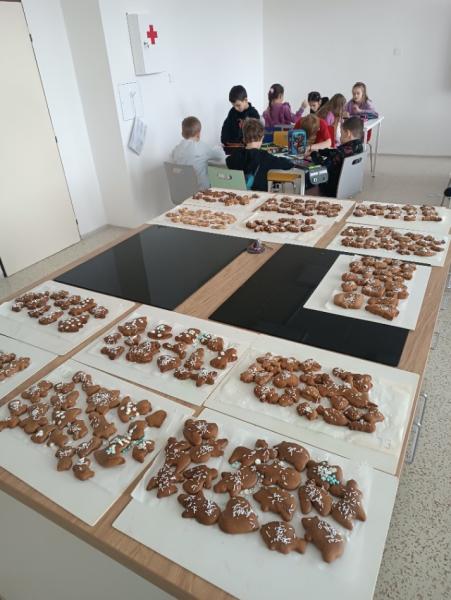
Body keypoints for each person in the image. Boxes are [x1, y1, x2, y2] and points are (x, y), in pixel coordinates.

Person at [226, 118, 293, 191]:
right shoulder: (265, 156)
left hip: (239, 195)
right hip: (260, 195)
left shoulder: (236, 155)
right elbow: (287, 164)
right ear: (262, 138)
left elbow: (228, 161)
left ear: (244, 138)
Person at [310, 116, 364, 197]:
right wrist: (320, 151)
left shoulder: (341, 152)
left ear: (348, 134)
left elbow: (322, 167)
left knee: (310, 173)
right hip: (348, 186)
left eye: (341, 134)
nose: (340, 137)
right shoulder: (359, 146)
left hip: (332, 189)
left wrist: (313, 154)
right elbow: (335, 152)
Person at [171, 116, 226, 190]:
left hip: (183, 191)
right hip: (202, 191)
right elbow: (220, 156)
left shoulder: (177, 149)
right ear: (198, 134)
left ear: (182, 133)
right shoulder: (201, 147)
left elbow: (173, 156)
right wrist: (219, 148)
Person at [221, 85, 260, 152]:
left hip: (248, 150)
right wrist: (226, 141)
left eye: (238, 105)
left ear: (245, 100)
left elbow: (255, 137)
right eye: (233, 106)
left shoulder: (253, 114)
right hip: (232, 148)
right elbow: (226, 130)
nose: (236, 108)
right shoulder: (232, 112)